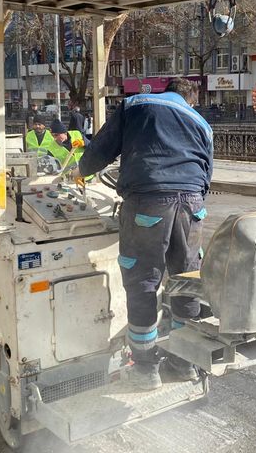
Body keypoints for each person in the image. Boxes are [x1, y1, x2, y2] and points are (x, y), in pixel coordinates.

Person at [71, 78, 212, 391]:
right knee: (186, 280)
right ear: (191, 98)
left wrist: (79, 171)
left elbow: (102, 149)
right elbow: (206, 172)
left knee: (144, 281)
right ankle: (183, 362)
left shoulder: (136, 104)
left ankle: (146, 369)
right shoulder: (200, 122)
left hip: (149, 202)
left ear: (166, 90)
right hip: (192, 204)